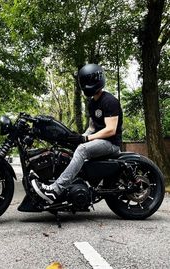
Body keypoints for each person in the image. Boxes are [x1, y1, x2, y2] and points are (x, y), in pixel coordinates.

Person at [31, 63, 123, 204]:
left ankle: (55, 190)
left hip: (111, 144)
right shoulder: (92, 103)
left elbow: (111, 130)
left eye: (89, 80)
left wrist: (85, 139)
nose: (87, 84)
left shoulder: (110, 101)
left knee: (81, 150)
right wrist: (80, 137)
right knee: (74, 148)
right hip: (99, 142)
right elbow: (92, 127)